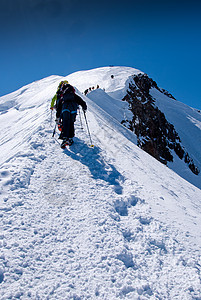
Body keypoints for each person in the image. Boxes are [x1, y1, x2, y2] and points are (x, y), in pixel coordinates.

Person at [51, 81, 87, 148]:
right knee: (71, 123)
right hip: (73, 110)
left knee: (65, 123)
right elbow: (82, 102)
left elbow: (59, 107)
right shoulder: (74, 95)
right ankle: (70, 138)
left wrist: (58, 116)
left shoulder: (63, 97)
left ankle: (65, 138)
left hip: (65, 110)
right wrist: (84, 108)